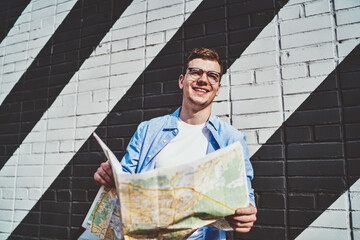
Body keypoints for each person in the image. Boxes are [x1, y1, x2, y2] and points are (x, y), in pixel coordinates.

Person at [93, 48, 257, 239]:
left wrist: (247, 212)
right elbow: (126, 178)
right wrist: (111, 176)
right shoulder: (148, 130)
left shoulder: (231, 139)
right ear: (182, 81)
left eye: (212, 76)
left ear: (218, 88)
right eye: (195, 72)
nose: (203, 79)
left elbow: (245, 195)